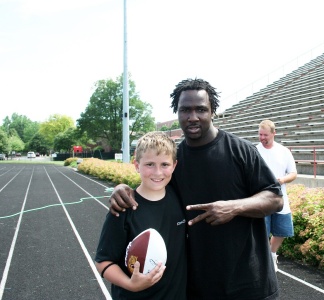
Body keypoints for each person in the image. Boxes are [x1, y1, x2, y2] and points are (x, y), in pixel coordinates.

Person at [109, 78, 284, 300]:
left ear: (212, 111)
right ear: (177, 112)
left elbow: (275, 198)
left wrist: (234, 207)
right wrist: (122, 188)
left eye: (201, 109)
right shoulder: (174, 161)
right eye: (185, 110)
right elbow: (151, 189)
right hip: (198, 287)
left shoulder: (241, 151)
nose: (193, 117)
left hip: (251, 284)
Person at [95, 131, 187, 300]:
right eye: (150, 164)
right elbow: (103, 262)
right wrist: (131, 284)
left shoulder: (179, 197)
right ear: (136, 165)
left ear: (174, 166)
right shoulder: (123, 207)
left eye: (165, 165)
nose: (158, 172)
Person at [257, 119, 297, 272]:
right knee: (262, 232)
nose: (262, 138)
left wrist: (282, 180)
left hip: (281, 199)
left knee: (282, 231)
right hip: (260, 199)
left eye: (265, 135)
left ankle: (272, 254)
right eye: (260, 134)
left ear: (274, 133)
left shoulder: (284, 151)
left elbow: (293, 173)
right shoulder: (255, 150)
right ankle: (267, 258)